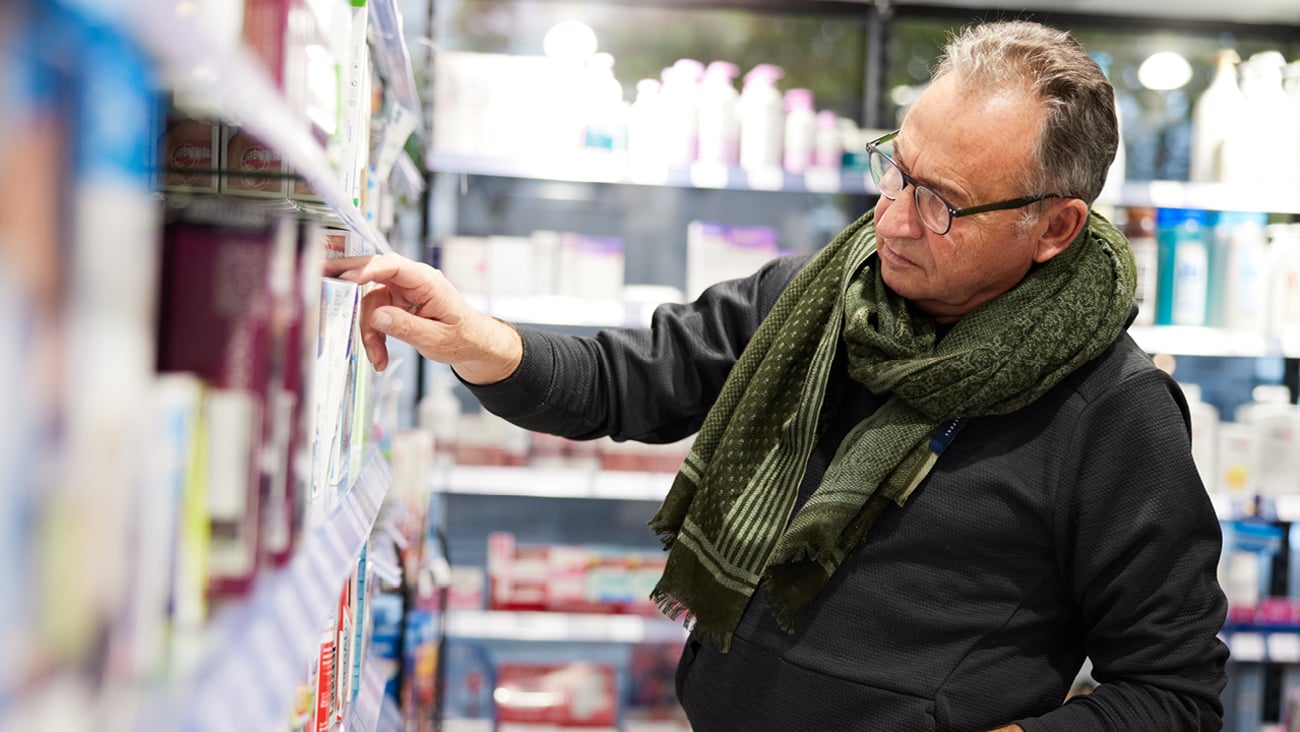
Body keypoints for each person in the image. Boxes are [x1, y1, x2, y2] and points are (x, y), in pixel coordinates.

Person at [328, 19, 1228, 731]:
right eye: (898, 169)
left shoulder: (1116, 414)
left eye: (941, 202)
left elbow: (1171, 691)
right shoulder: (816, 297)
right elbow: (634, 378)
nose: (894, 219)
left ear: (1056, 227)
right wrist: (478, 337)